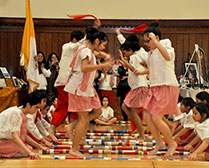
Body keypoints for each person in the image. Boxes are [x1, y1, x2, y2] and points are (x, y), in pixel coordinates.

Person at [64, 29, 113, 157]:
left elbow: (97, 55)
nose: (103, 48)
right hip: (79, 88)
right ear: (97, 41)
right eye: (102, 44)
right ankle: (74, 148)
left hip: (86, 88)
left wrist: (105, 58)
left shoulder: (88, 50)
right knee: (84, 118)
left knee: (97, 111)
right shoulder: (85, 50)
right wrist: (101, 65)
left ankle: (71, 127)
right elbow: (84, 68)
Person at [140, 22, 180, 157]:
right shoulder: (151, 53)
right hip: (155, 87)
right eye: (145, 41)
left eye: (148, 40)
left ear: (155, 37)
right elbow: (151, 67)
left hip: (167, 86)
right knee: (146, 114)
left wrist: (156, 42)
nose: (146, 43)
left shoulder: (167, 46)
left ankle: (171, 143)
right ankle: (159, 143)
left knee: (157, 118)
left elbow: (167, 57)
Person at [48, 30, 85, 136]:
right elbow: (79, 45)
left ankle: (53, 129)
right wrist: (92, 32)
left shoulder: (79, 50)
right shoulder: (67, 46)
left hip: (68, 82)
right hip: (66, 82)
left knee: (63, 106)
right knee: (75, 106)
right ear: (74, 40)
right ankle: (71, 130)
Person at [116, 33, 149, 139]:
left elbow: (134, 70)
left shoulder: (134, 57)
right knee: (125, 107)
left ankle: (141, 133)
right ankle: (140, 129)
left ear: (129, 49)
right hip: (138, 87)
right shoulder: (136, 56)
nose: (124, 54)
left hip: (140, 87)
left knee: (131, 110)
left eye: (125, 51)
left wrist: (125, 62)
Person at [0, 92, 48, 159]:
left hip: (7, 140)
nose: (36, 110)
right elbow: (15, 137)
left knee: (29, 148)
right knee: (25, 151)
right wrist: (30, 153)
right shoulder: (15, 113)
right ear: (28, 105)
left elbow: (24, 135)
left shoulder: (22, 114)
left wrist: (39, 146)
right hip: (3, 141)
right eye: (36, 107)